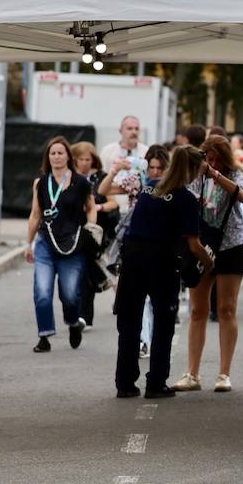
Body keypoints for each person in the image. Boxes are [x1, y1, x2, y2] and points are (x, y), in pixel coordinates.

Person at [114, 145, 214, 399]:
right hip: (161, 261)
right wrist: (209, 261)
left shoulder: (150, 188)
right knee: (163, 322)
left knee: (129, 320)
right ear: (191, 169)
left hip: (133, 257)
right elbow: (193, 244)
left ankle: (125, 383)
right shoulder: (185, 198)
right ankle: (156, 382)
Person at [172, 136, 243, 393]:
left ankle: (224, 373)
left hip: (231, 243)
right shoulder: (195, 175)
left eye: (215, 157)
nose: (210, 161)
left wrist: (215, 174)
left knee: (226, 308)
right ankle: (192, 373)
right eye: (207, 156)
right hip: (201, 244)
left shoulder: (235, 173)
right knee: (198, 310)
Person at [25, 136, 97, 353]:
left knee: (70, 294)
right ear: (48, 157)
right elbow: (35, 214)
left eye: (60, 153)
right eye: (52, 153)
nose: (56, 157)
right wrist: (28, 244)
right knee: (43, 292)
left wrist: (91, 228)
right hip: (46, 242)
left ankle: (74, 323)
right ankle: (44, 336)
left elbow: (91, 207)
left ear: (68, 156)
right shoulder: (41, 183)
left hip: (73, 245)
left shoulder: (81, 182)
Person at [101, 145, 170, 358]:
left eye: (160, 168)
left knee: (153, 300)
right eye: (152, 168)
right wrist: (115, 170)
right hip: (134, 243)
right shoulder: (137, 182)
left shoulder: (171, 186)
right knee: (136, 298)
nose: (155, 172)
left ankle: (149, 340)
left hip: (161, 245)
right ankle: (142, 341)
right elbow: (103, 191)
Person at [71, 141, 118, 330]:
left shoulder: (100, 177)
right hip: (70, 231)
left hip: (94, 231)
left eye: (87, 159)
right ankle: (101, 279)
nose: (84, 163)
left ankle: (85, 316)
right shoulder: (69, 178)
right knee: (76, 272)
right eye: (80, 159)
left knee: (84, 271)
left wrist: (96, 207)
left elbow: (113, 203)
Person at [100, 116, 149, 191]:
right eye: (129, 128)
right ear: (120, 131)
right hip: (112, 196)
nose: (134, 132)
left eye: (137, 129)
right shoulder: (107, 151)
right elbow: (101, 177)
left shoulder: (146, 151)